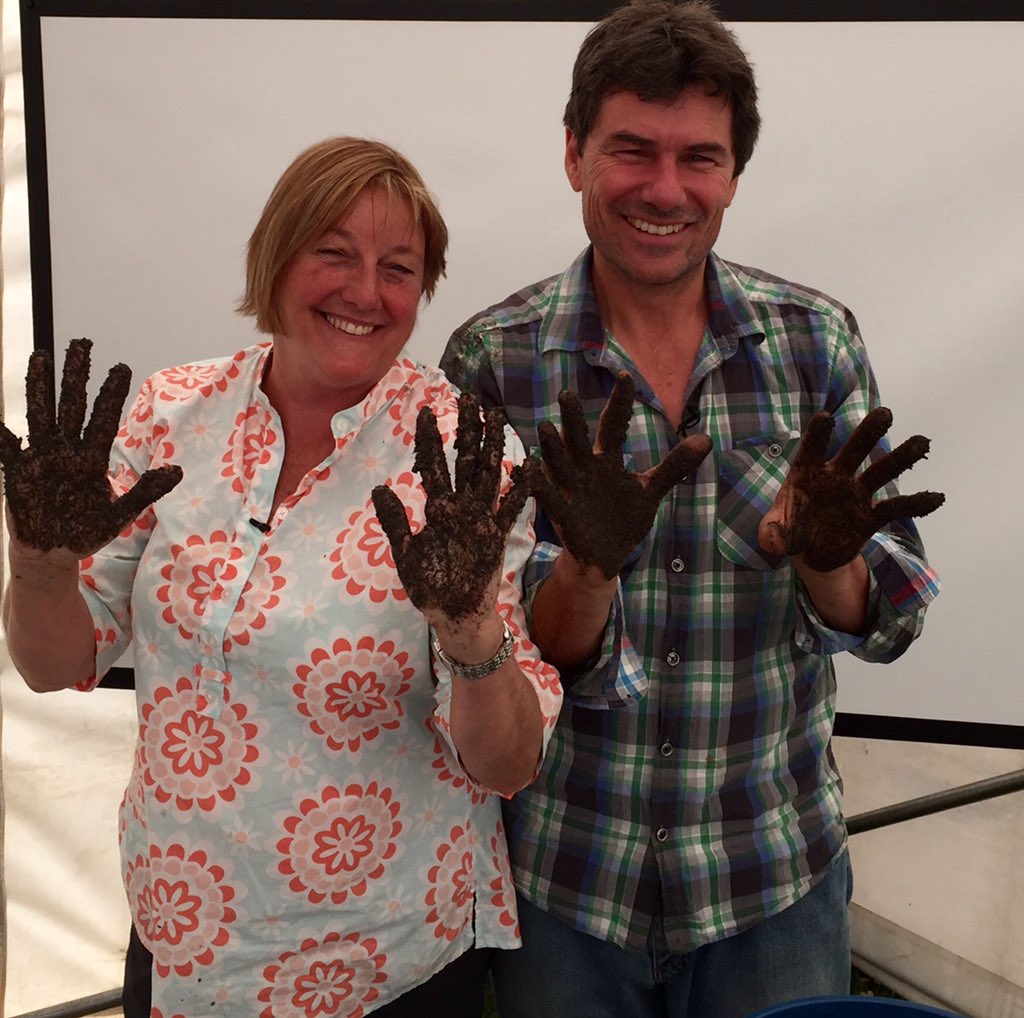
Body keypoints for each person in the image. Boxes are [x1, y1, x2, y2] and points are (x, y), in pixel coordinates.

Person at [440, 2, 944, 1016]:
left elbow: (889, 617)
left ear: (731, 177)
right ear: (575, 153)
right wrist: (582, 573)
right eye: (631, 150)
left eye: (697, 159)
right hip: (564, 886)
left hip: (769, 880)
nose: (663, 189)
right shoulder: (492, 361)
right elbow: (486, 644)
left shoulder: (813, 343)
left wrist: (828, 561)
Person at [1, 137, 562, 1017]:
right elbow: (50, 662)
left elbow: (507, 763)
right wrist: (39, 567)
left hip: (388, 969)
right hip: (186, 951)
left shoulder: (461, 456)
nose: (364, 292)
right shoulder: (170, 413)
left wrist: (469, 633)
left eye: (399, 268)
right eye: (333, 252)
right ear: (275, 255)